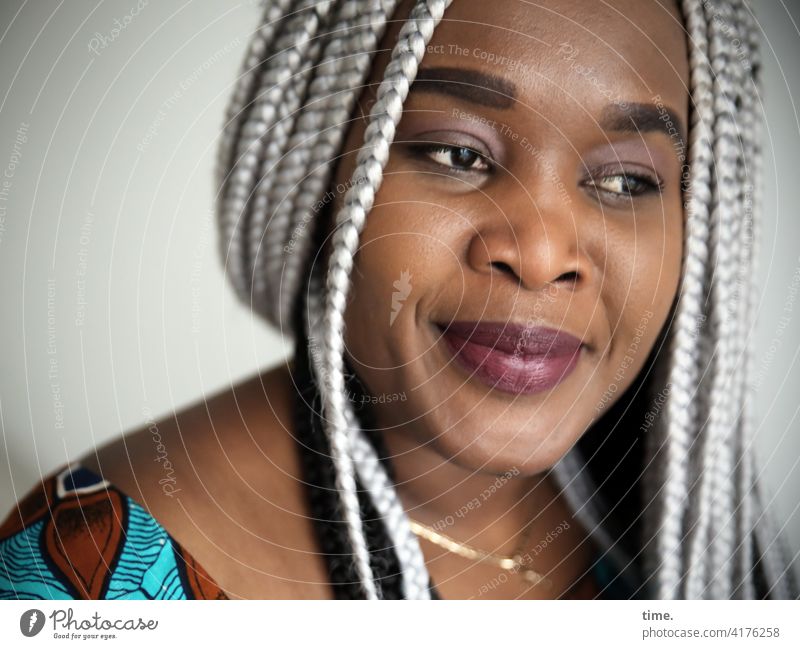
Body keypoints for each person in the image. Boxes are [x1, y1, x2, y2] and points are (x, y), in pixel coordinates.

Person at [1, 0, 797, 600]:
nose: (545, 253)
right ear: (322, 175)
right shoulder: (79, 578)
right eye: (457, 153)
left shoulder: (688, 532)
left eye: (628, 180)